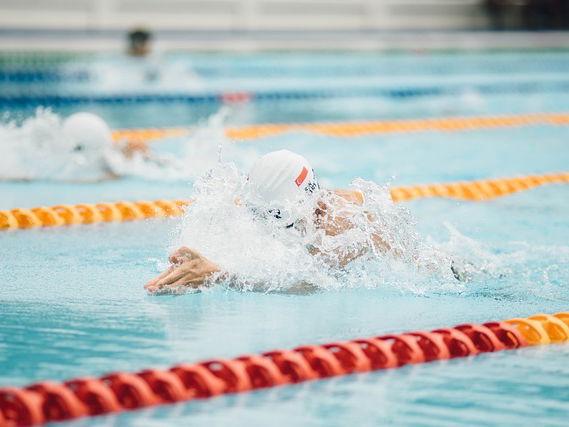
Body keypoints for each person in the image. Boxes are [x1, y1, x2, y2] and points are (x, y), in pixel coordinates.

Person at [145, 150, 466, 294]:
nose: (269, 222)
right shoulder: (290, 202)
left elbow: (306, 282)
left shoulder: (343, 222)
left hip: (447, 276)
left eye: (276, 217)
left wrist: (220, 274)